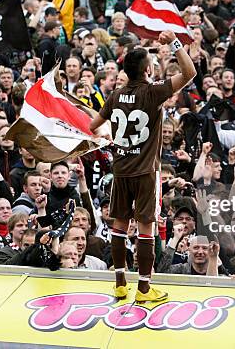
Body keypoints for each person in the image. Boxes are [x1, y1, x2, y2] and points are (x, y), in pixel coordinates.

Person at [90, 30, 196, 303]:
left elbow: (93, 126)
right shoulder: (153, 92)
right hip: (146, 171)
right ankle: (145, 289)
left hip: (121, 170)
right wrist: (174, 42)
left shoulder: (114, 96)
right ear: (148, 69)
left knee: (119, 225)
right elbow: (189, 72)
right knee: (147, 227)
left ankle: (120, 284)